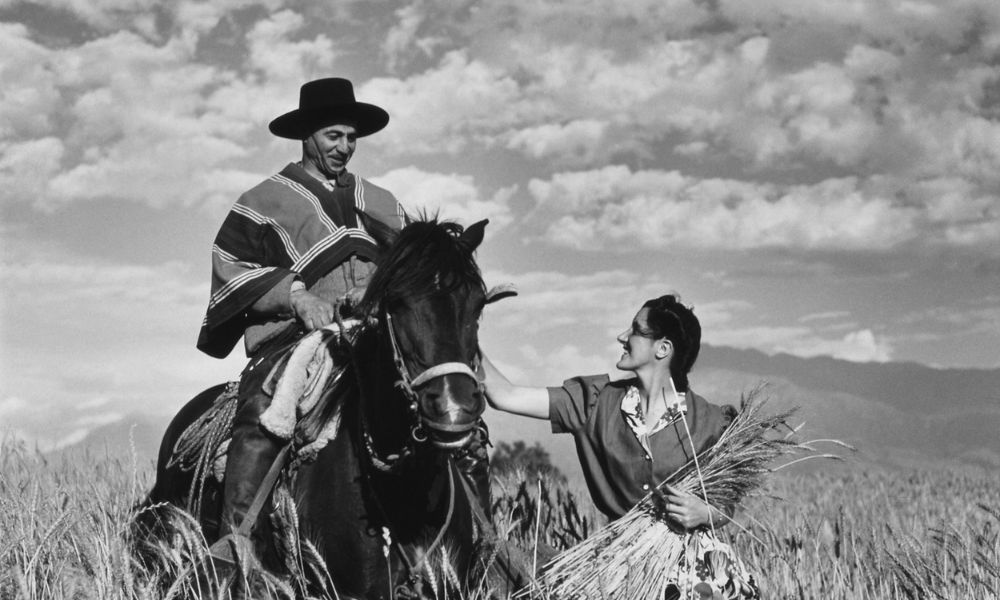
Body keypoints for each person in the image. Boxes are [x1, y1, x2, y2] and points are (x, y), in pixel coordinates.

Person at [197, 77, 405, 549]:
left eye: (352, 138)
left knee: (436, 403)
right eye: (335, 136)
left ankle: (469, 537)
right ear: (308, 135)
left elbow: (411, 266)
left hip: (373, 336)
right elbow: (230, 264)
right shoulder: (261, 201)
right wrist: (296, 296)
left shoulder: (385, 202)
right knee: (264, 410)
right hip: (295, 339)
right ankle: (236, 541)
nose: (346, 147)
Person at [482, 294, 758, 597]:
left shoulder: (711, 423)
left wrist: (705, 513)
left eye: (636, 330)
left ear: (663, 349)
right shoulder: (594, 403)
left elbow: (728, 507)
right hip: (618, 568)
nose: (622, 336)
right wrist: (460, 335)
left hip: (695, 573)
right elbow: (504, 396)